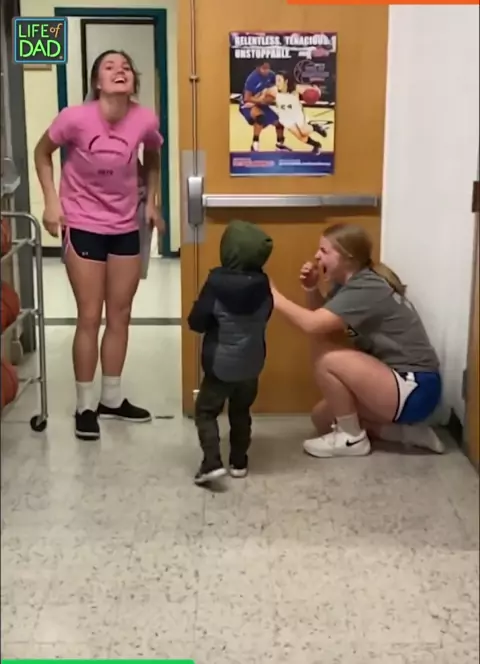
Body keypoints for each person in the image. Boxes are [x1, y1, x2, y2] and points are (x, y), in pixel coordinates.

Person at [34, 49, 165, 441]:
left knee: (120, 314)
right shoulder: (74, 118)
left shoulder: (145, 119)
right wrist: (51, 203)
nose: (119, 71)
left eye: (126, 67)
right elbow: (42, 153)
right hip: (82, 221)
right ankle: (85, 405)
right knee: (90, 315)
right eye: (109, 67)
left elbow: (153, 155)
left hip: (125, 224)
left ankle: (111, 398)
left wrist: (152, 201)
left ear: (133, 81)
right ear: (97, 81)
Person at [270, 223, 445, 458]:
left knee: (327, 359)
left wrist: (274, 297)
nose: (316, 256)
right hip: (399, 385)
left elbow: (312, 325)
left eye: (324, 250)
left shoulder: (366, 287)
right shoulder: (348, 287)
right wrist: (311, 289)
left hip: (416, 387)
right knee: (322, 419)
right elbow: (324, 327)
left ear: (347, 257)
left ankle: (351, 439)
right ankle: (405, 433)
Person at [188, 220, 273, 484]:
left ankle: (211, 462)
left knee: (206, 411)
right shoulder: (263, 284)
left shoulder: (215, 284)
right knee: (241, 411)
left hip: (220, 365)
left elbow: (197, 322)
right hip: (252, 364)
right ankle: (239, 461)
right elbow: (266, 314)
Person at [238, 62, 288, 152]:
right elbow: (247, 98)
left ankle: (280, 145)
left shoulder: (271, 75)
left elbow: (273, 91)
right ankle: (255, 145)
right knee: (260, 117)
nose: (266, 71)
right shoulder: (252, 79)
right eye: (263, 68)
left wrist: (270, 99)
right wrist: (261, 100)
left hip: (262, 103)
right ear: (258, 67)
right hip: (248, 105)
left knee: (280, 122)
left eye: (268, 68)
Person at [273, 71, 328, 154]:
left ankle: (315, 127)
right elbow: (261, 96)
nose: (277, 83)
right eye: (276, 80)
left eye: (279, 80)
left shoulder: (295, 88)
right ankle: (316, 145)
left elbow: (311, 90)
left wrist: (316, 91)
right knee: (301, 137)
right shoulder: (273, 90)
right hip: (285, 117)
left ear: (286, 81)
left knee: (303, 131)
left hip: (296, 113)